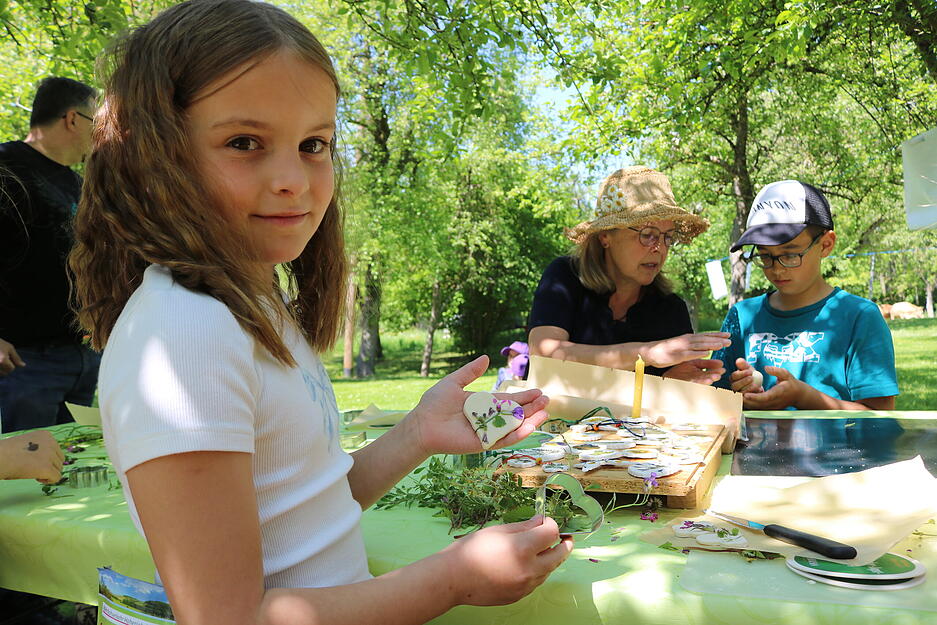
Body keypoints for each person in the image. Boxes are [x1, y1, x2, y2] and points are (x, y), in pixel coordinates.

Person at [68, 1, 571, 623]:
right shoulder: (183, 334)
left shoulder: (250, 304)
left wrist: (416, 434)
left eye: (314, 144)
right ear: (154, 156)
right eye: (244, 142)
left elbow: (304, 512)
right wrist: (455, 578)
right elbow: (228, 618)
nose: (293, 179)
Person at [528, 166, 731, 384]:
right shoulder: (564, 278)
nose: (660, 248)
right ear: (606, 236)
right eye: (648, 235)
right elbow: (544, 354)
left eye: (668, 237)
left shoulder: (671, 309)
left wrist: (672, 381)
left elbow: (663, 398)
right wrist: (647, 353)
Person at [712, 180, 899, 410]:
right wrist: (742, 391)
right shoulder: (741, 317)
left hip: (836, 447)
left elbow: (880, 416)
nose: (777, 268)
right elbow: (715, 401)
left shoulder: (859, 317)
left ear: (826, 245)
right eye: (765, 255)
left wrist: (804, 397)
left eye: (790, 255)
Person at [0, 76, 99, 433]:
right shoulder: (6, 167)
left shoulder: (75, 183)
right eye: (96, 122)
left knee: (74, 473)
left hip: (82, 355)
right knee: (26, 481)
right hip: (25, 364)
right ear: (72, 119)